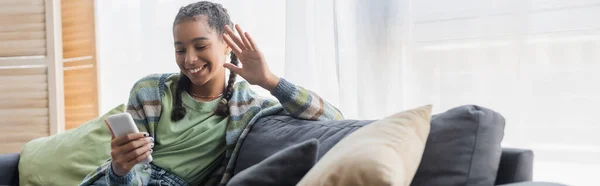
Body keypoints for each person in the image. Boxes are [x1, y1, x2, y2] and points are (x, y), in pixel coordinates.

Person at [79, 1, 343, 186]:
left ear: (227, 45)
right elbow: (132, 174)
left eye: (201, 46)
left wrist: (269, 80)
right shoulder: (149, 91)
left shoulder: (248, 107)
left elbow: (333, 118)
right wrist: (122, 168)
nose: (190, 59)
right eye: (180, 49)